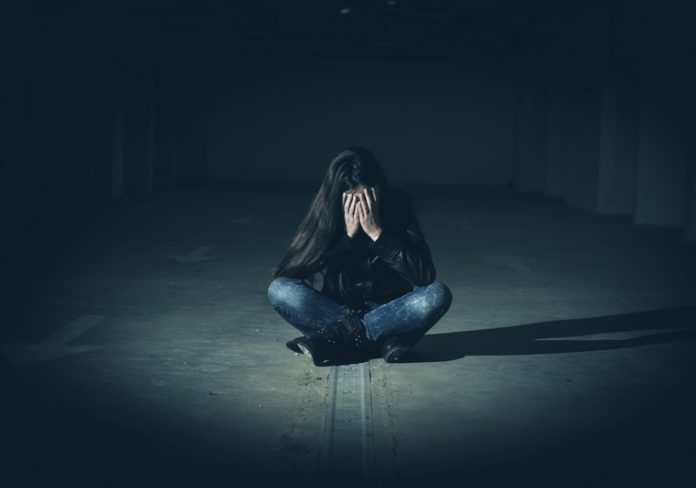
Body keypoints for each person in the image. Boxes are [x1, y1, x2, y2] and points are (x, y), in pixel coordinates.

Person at [266, 146, 452, 366]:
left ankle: (335, 338)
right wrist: (345, 239)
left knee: (437, 294)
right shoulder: (328, 210)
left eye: (367, 198)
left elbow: (424, 275)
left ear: (378, 188)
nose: (362, 208)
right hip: (335, 311)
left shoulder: (399, 205)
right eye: (354, 201)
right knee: (279, 289)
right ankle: (375, 339)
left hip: (390, 313)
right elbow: (293, 271)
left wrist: (378, 235)